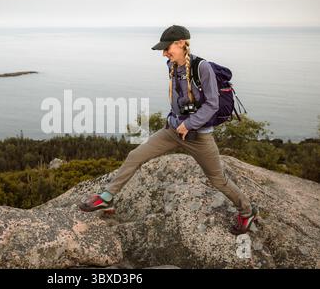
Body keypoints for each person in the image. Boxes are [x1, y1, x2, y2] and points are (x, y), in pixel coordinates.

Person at [79, 25, 258, 235]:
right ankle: (106, 198)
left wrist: (189, 124)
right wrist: (175, 120)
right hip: (172, 131)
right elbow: (178, 100)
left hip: (198, 137)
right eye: (163, 50)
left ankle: (247, 211)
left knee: (218, 180)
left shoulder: (203, 68)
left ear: (182, 43)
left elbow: (212, 104)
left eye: (167, 48)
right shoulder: (171, 65)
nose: (164, 53)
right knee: (135, 155)